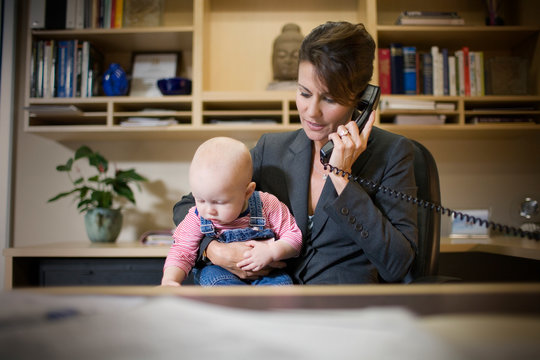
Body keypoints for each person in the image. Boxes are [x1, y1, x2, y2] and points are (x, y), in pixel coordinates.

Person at [173, 21, 418, 284]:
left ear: (361, 100)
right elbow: (188, 206)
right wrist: (217, 251)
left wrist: (342, 178)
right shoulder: (272, 149)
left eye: (330, 99)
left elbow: (398, 264)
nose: (311, 112)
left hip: (343, 313)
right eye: (304, 93)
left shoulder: (394, 154)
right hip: (272, 311)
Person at [162, 137, 303, 286]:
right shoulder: (197, 216)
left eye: (219, 202)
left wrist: (272, 251)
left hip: (267, 274)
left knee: (282, 287)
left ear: (247, 192)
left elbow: (294, 236)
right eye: (200, 200)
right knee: (220, 285)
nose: (209, 211)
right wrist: (170, 280)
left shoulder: (267, 205)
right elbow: (182, 251)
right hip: (219, 274)